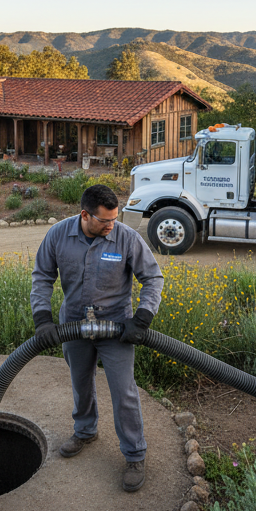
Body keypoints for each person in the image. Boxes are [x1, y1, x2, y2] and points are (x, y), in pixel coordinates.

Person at [30, 183, 164, 492]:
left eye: (115, 219)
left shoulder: (126, 238)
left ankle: (134, 455)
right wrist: (42, 319)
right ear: (85, 215)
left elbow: (152, 278)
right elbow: (42, 277)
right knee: (80, 382)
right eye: (105, 220)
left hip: (117, 328)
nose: (111, 225)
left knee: (123, 391)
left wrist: (142, 318)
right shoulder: (58, 235)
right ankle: (85, 430)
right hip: (73, 324)